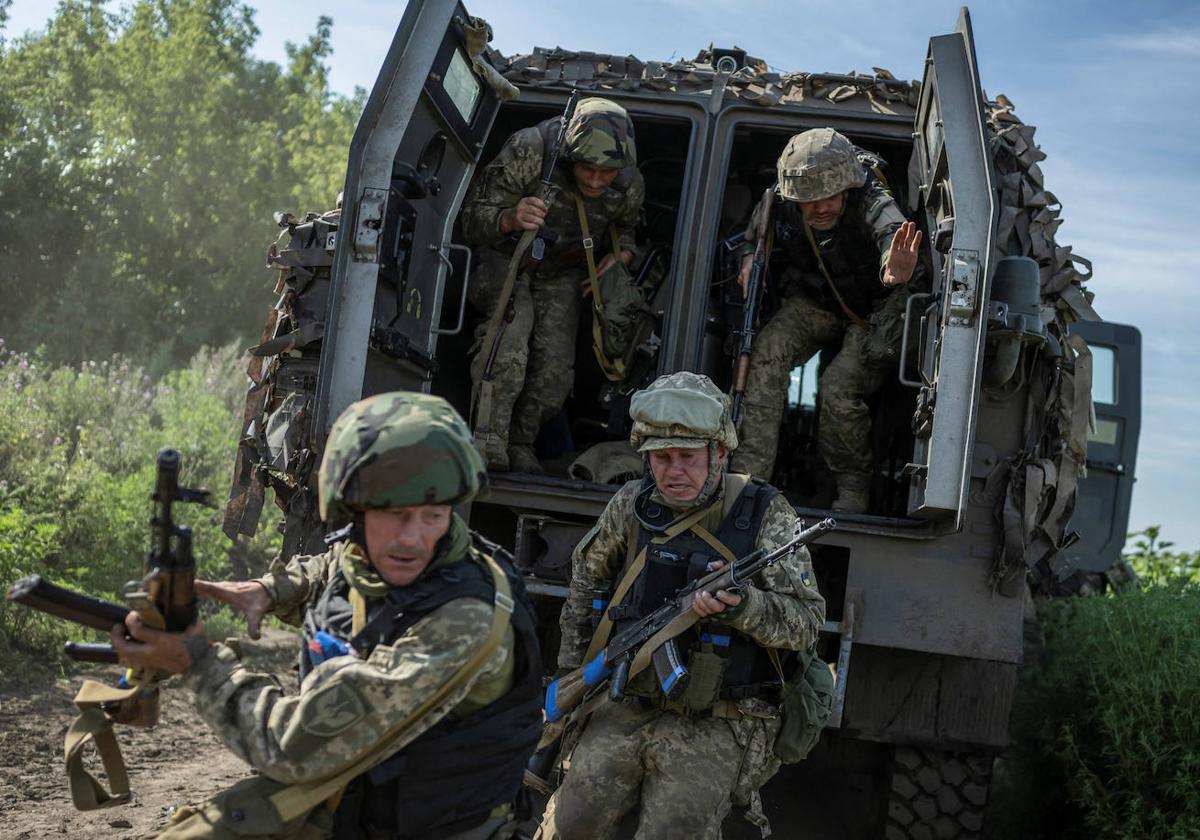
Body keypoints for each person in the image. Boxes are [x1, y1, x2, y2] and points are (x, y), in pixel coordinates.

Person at [111, 392, 543, 840]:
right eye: (394, 515)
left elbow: (290, 750)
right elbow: (337, 566)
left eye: (432, 515)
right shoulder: (375, 556)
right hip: (357, 810)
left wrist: (197, 663)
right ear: (352, 511)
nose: (413, 538)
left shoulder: (463, 619)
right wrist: (271, 590)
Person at [538, 371, 826, 840]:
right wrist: (572, 681)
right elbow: (584, 587)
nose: (674, 472)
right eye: (661, 459)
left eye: (688, 458)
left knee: (676, 829)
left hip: (715, 718)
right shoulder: (632, 505)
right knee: (571, 824)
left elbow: (808, 623)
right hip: (623, 698)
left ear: (720, 454)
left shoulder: (765, 515)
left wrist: (742, 606)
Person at [733, 127, 924, 512]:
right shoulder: (780, 198)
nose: (819, 208)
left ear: (846, 188)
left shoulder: (871, 195)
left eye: (829, 197)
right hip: (819, 299)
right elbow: (750, 238)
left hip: (876, 308)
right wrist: (749, 261)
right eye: (809, 201)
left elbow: (892, 233)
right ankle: (747, 481)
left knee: (838, 388)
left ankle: (852, 488)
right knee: (766, 353)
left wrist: (894, 270)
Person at [460, 96, 645, 474]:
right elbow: (469, 221)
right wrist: (510, 218)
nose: (595, 179)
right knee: (512, 331)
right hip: (505, 257)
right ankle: (487, 438)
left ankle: (521, 442)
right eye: (586, 168)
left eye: (605, 172)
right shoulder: (530, 149)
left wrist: (621, 255)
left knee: (555, 368)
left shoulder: (629, 184)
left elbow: (629, 232)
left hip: (562, 271)